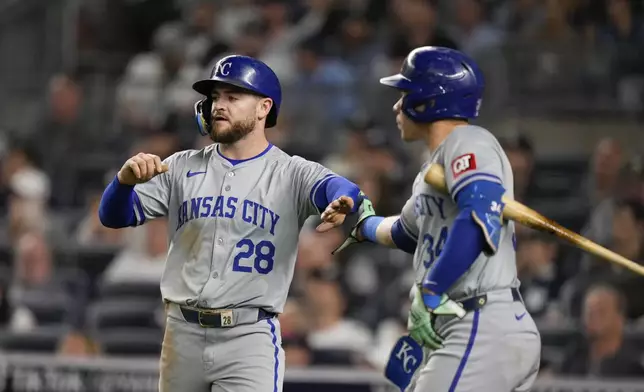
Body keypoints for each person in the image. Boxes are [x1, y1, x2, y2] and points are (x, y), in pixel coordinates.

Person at [98, 54, 364, 392]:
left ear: (263, 108)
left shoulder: (290, 172)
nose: (219, 105)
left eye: (233, 97)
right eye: (215, 97)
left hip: (248, 336)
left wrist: (341, 201)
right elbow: (114, 216)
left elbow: (339, 187)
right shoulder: (180, 166)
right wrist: (123, 183)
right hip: (182, 333)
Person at [332, 46, 541, 391]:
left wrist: (431, 288)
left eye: (405, 94)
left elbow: (479, 218)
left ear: (428, 101)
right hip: (464, 325)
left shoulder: (470, 141)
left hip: (479, 320)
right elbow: (403, 231)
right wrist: (361, 222)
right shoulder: (433, 171)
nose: (397, 106)